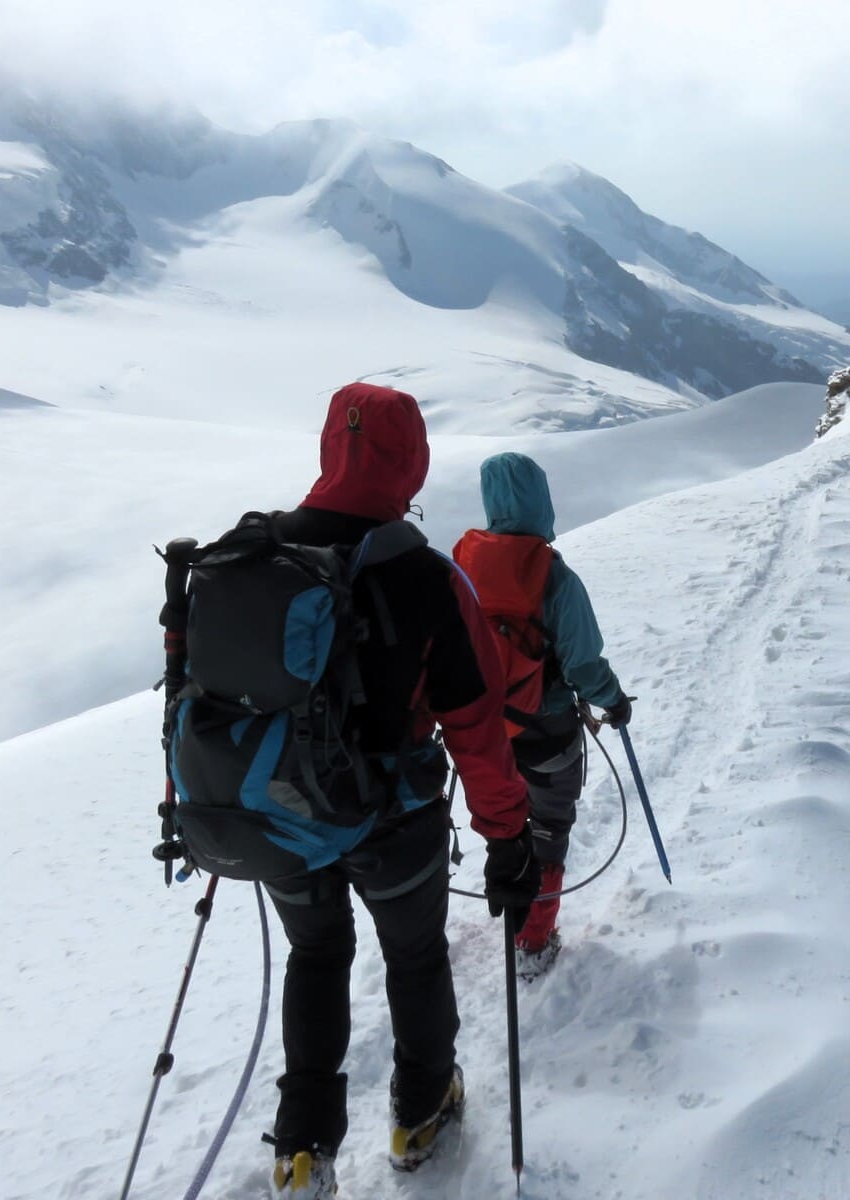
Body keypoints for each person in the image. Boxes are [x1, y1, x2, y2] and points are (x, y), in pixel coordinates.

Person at [246, 384, 539, 1197]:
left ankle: (302, 1151)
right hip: (392, 821)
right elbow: (477, 725)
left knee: (316, 953)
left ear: (327, 450)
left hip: (285, 815)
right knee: (413, 957)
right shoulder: (426, 577)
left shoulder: (261, 553)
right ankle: (420, 1112)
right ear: (411, 461)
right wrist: (509, 838)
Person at [453, 452, 632, 977]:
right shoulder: (554, 577)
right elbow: (583, 663)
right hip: (547, 732)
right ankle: (534, 938)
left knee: (505, 826)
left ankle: (511, 907)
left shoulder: (461, 564)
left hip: (482, 733)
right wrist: (614, 702)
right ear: (542, 501)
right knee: (549, 830)